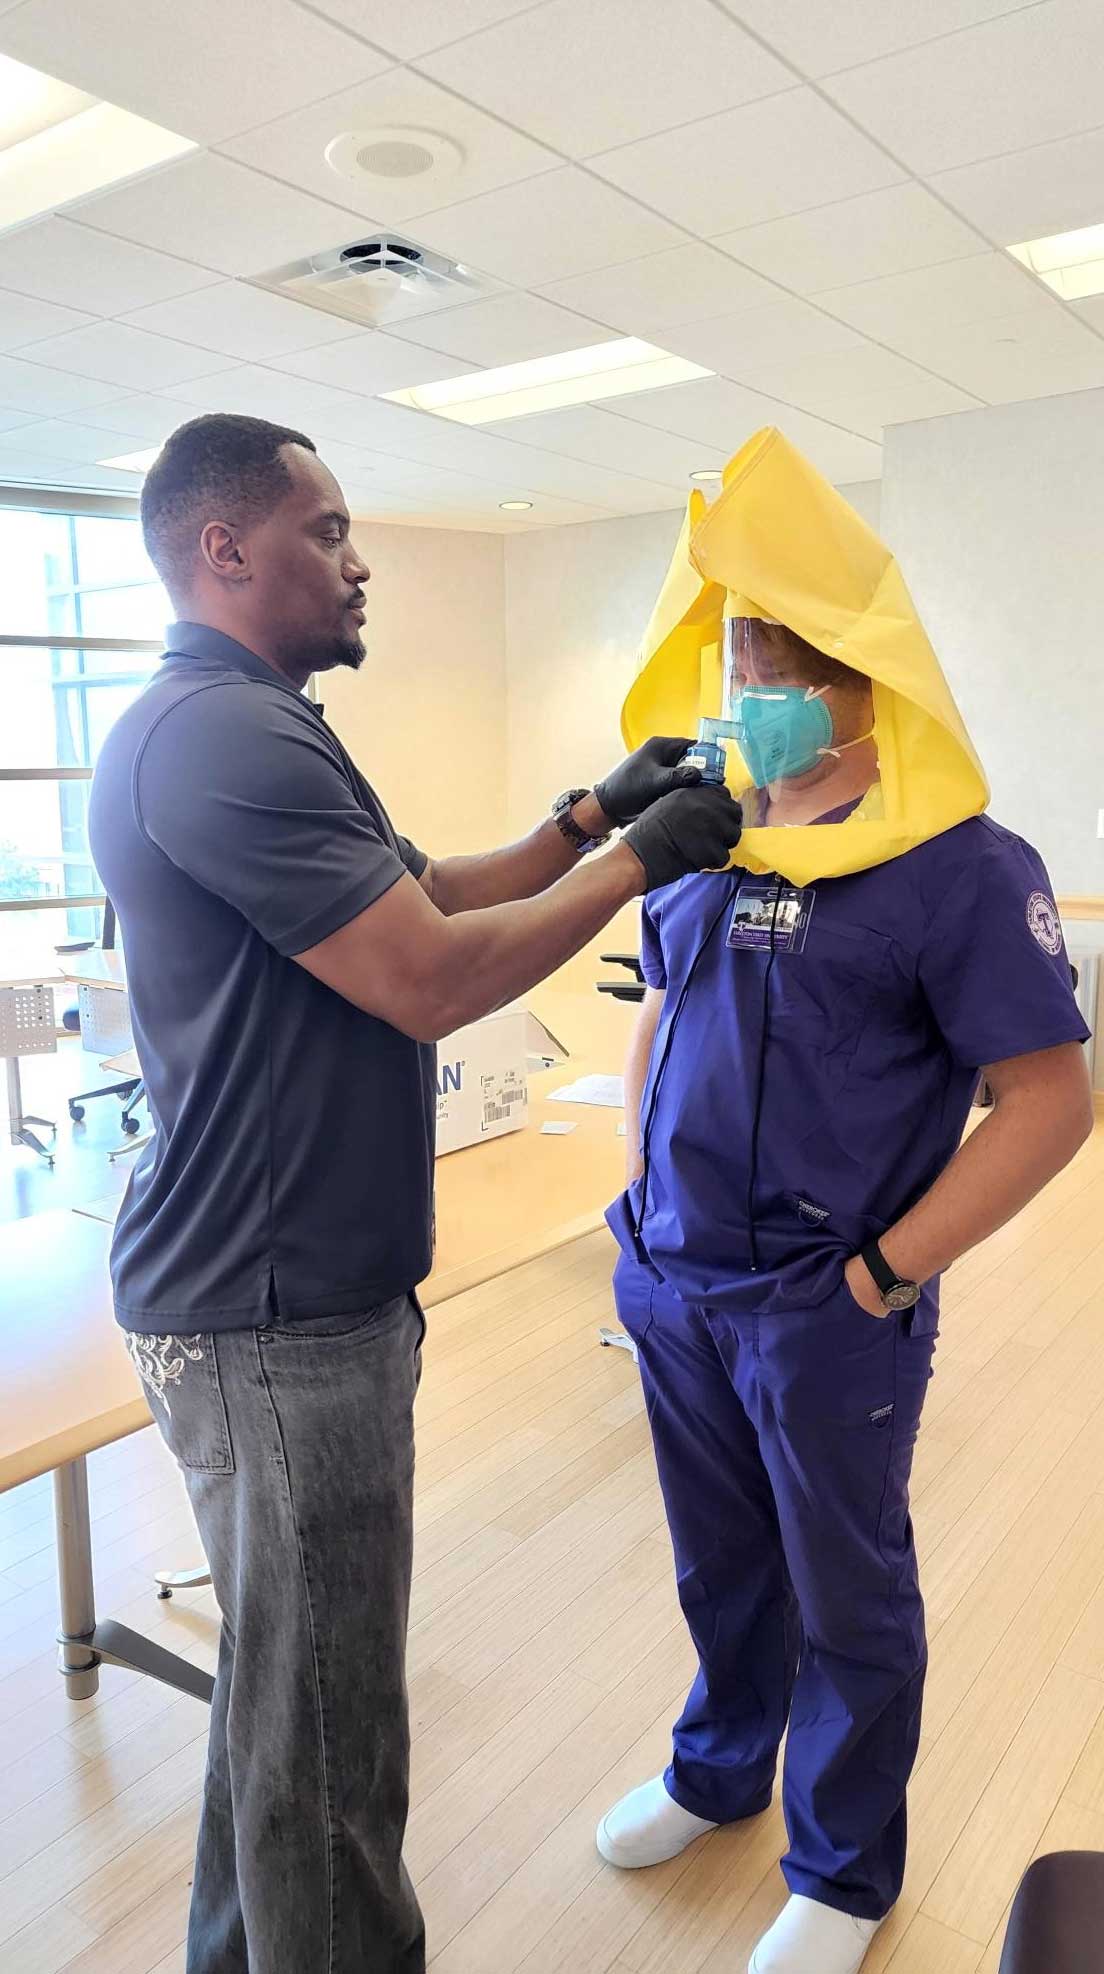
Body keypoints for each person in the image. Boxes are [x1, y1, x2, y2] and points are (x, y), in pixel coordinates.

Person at [88, 412, 743, 1974]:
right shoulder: (221, 735)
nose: (358, 557)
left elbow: (426, 891)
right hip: (271, 1313)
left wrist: (589, 816)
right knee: (328, 1743)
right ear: (223, 549)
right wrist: (645, 861)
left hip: (278, 1294)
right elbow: (431, 977)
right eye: (325, 530)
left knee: (279, 1707)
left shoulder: (258, 719)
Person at [596, 439, 1093, 1974]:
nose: (754, 684)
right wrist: (637, 1204)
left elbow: (1052, 1101)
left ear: (870, 678)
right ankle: (717, 1768)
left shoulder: (958, 868)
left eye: (788, 657)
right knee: (718, 1554)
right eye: (741, 652)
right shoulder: (708, 834)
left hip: (826, 1306)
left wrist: (882, 1272)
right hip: (674, 1284)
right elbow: (659, 1007)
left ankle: (844, 1869)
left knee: (845, 1583)